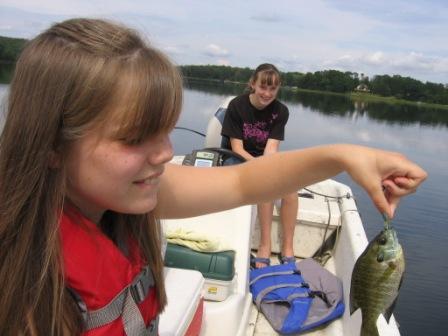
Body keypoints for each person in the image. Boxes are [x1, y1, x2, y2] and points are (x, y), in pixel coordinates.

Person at [0, 18, 427, 336]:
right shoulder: (17, 286)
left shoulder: (121, 195)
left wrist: (347, 155)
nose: (166, 153)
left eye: (165, 131)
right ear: (53, 144)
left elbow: (243, 183)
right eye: (134, 138)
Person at [221, 63, 298, 268]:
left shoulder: (281, 111)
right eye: (263, 87)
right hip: (237, 158)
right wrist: (260, 167)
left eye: (272, 89)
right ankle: (265, 245)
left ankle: (288, 248)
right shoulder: (237, 105)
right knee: (266, 186)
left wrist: (266, 166)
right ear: (252, 84)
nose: (267, 93)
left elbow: (271, 148)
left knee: (291, 191)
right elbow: (236, 147)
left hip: (264, 159)